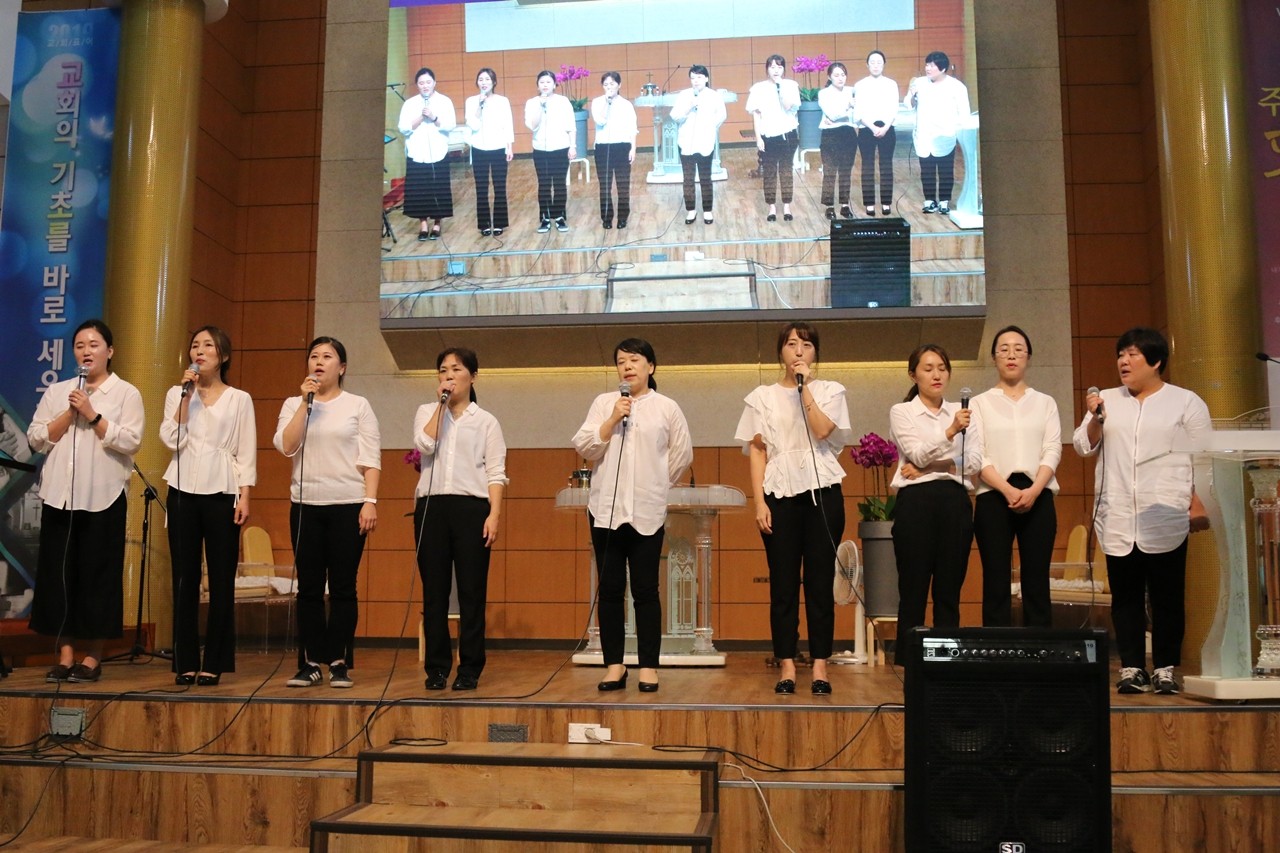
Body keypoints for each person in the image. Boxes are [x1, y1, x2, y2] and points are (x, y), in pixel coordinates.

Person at [1073, 327, 1212, 696]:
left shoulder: (1185, 402)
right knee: (1126, 597)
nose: (1124, 361)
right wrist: (1095, 418)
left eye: (1133, 354)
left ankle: (1165, 667)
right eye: (1121, 354)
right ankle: (1132, 666)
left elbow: (1204, 457)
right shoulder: (1106, 400)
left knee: (1167, 596)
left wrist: (1200, 502)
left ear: (1156, 361)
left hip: (1164, 510)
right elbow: (1082, 446)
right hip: (1119, 512)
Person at [735, 322, 852, 695]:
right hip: (779, 493)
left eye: (806, 345)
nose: (798, 351)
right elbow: (758, 450)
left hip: (823, 494)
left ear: (815, 352)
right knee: (783, 585)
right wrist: (759, 502)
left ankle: (820, 665)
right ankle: (786, 663)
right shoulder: (762, 396)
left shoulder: (830, 391)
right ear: (780, 352)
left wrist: (805, 389)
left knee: (819, 583)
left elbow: (822, 430)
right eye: (791, 344)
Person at [27, 319, 144, 683]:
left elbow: (131, 441)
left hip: (103, 497)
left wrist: (93, 415)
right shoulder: (59, 391)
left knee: (97, 578)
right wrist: (69, 413)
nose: (86, 351)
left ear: (110, 351)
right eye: (79, 346)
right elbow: (36, 439)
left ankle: (93, 657)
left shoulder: (125, 393)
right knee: (59, 576)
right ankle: (64, 656)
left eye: (94, 345)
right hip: (59, 496)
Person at [573, 339, 692, 693]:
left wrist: (656, 485)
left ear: (650, 367)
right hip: (605, 512)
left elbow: (681, 455)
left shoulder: (667, 407)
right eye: (621, 361)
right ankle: (615, 665)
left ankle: (648, 667)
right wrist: (613, 418)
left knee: (645, 590)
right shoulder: (604, 403)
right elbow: (585, 445)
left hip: (646, 511)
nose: (627, 366)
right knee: (610, 590)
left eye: (634, 360)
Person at [274, 336, 381, 689]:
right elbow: (287, 446)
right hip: (306, 505)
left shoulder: (358, 405)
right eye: (314, 356)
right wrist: (305, 405)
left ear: (342, 367)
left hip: (348, 504)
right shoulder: (295, 403)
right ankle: (309, 662)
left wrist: (370, 501)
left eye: (327, 356)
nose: (319, 362)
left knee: (343, 588)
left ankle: (338, 661)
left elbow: (371, 458)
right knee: (308, 588)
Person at [161, 326, 257, 686]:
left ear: (223, 356)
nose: (199, 351)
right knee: (184, 578)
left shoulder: (239, 398)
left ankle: (214, 661)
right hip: (182, 490)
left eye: (208, 346)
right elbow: (170, 438)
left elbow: (246, 450)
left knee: (220, 579)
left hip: (223, 491)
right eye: (195, 346)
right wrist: (186, 398)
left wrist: (245, 494)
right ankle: (185, 660)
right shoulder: (177, 393)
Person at [413, 348, 507, 692]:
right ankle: (437, 668)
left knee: (471, 592)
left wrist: (494, 514)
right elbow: (424, 444)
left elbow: (496, 472)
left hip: (472, 509)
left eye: (456, 369)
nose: (449, 376)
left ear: (473, 376)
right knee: (434, 593)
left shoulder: (487, 421)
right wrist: (441, 406)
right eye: (443, 370)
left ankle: (469, 668)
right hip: (432, 508)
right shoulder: (427, 411)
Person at [888, 344, 979, 665]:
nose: (936, 374)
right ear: (913, 375)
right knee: (913, 590)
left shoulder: (964, 410)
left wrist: (931, 467)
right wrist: (951, 431)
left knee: (948, 592)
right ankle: (909, 663)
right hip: (916, 504)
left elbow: (974, 461)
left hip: (955, 502)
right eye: (928, 369)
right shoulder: (902, 412)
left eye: (942, 367)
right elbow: (916, 453)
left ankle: (946, 661)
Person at [970, 326, 1060, 629]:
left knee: (1037, 579)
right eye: (1004, 349)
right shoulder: (980, 403)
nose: (1011, 355)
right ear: (994, 357)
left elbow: (1052, 449)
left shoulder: (1045, 402)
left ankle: (1039, 650)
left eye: (1018, 349)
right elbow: (977, 454)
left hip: (1039, 493)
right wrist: (1007, 490)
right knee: (995, 579)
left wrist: (1034, 490)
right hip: (993, 494)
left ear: (1028, 357)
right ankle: (996, 650)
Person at [904, 51, 970, 215]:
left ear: (943, 68)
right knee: (926, 169)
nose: (928, 68)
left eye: (932, 65)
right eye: (927, 65)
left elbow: (964, 112)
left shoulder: (956, 87)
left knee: (945, 169)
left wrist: (959, 131)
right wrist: (912, 95)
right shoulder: (919, 83)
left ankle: (944, 201)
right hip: (924, 134)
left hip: (945, 134)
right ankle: (929, 200)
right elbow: (908, 104)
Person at [397, 67, 457, 241]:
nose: (425, 86)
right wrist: (421, 117)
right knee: (420, 190)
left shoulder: (444, 101)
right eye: (421, 83)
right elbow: (403, 128)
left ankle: (437, 223)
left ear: (434, 83)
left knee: (438, 188)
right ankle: (423, 225)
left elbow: (450, 125)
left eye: (428, 82)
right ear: (417, 85)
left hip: (438, 152)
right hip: (417, 153)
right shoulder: (410, 104)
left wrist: (434, 117)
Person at [745, 55, 800, 223]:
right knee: (769, 172)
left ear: (784, 69)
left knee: (786, 170)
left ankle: (787, 206)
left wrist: (781, 89)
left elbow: (790, 107)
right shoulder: (758, 88)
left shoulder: (791, 85)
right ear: (767, 69)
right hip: (768, 136)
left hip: (788, 135)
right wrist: (758, 138)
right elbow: (756, 115)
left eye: (779, 67)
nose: (776, 70)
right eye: (772, 67)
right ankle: (771, 207)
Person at [670, 65, 727, 225]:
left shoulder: (714, 96)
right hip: (685, 142)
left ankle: (707, 210)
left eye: (699, 77)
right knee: (688, 178)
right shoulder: (684, 95)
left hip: (705, 142)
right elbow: (675, 116)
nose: (696, 81)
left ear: (706, 78)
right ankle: (691, 210)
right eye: (693, 78)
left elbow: (722, 115)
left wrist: (709, 128)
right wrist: (688, 108)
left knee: (705, 177)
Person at [524, 70, 577, 234]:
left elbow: (571, 125)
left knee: (560, 184)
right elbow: (532, 126)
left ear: (554, 84)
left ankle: (559, 216)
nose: (545, 85)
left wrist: (573, 146)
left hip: (561, 148)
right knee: (544, 184)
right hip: (541, 149)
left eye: (548, 82)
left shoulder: (563, 101)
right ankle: (545, 218)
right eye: (542, 82)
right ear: (537, 85)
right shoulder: (532, 103)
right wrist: (541, 107)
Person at [464, 67, 514, 237]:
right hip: (479, 148)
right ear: (477, 82)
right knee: (481, 187)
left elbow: (508, 124)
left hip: (499, 147)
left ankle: (499, 223)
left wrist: (509, 146)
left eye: (487, 79)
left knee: (499, 186)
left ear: (494, 82)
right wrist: (479, 106)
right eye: (481, 79)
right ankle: (484, 224)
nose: (484, 82)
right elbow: (473, 125)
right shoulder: (471, 101)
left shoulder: (503, 101)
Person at [853, 50, 900, 216]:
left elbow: (894, 108)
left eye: (879, 62)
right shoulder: (859, 85)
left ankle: (886, 202)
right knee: (867, 165)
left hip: (887, 127)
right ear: (867, 65)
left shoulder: (891, 84)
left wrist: (885, 127)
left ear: (884, 65)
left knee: (886, 164)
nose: (875, 65)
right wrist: (872, 127)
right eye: (872, 62)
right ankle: (869, 203)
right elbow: (858, 111)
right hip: (867, 128)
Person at [591, 71, 638, 230]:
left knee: (623, 184)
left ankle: (623, 217)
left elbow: (632, 128)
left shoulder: (626, 104)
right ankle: (606, 217)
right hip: (603, 147)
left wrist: (633, 148)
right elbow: (600, 121)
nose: (609, 87)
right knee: (605, 185)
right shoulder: (597, 102)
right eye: (606, 84)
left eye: (612, 84)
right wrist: (607, 102)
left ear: (619, 85)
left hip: (622, 146)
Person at [817, 62, 856, 220]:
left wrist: (840, 115)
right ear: (829, 77)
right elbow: (832, 114)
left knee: (846, 171)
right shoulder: (824, 93)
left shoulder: (852, 91)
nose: (840, 78)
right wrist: (847, 107)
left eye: (843, 75)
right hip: (830, 135)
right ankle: (829, 206)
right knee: (830, 171)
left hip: (848, 133)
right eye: (836, 75)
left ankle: (845, 205)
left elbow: (855, 115)